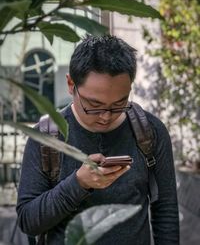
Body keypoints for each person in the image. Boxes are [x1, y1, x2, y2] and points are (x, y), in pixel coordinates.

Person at [17, 35, 179, 245]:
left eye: (120, 103)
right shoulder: (46, 137)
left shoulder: (150, 131)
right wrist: (78, 184)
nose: (106, 116)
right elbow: (27, 221)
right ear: (70, 84)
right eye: (94, 105)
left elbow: (165, 211)